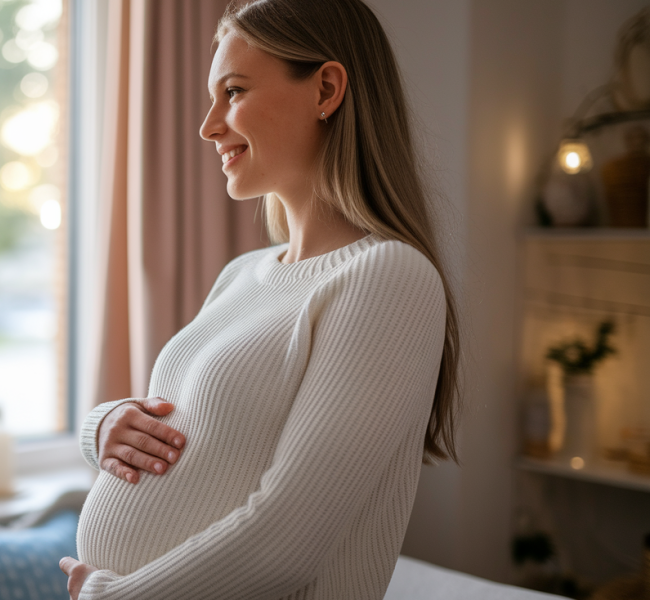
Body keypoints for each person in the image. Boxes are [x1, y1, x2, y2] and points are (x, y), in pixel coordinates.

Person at [59, 0, 461, 598]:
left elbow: (287, 541)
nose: (208, 126)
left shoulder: (390, 278)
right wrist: (105, 428)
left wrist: (112, 597)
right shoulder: (243, 275)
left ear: (326, 90)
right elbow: (198, 438)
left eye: (234, 92)